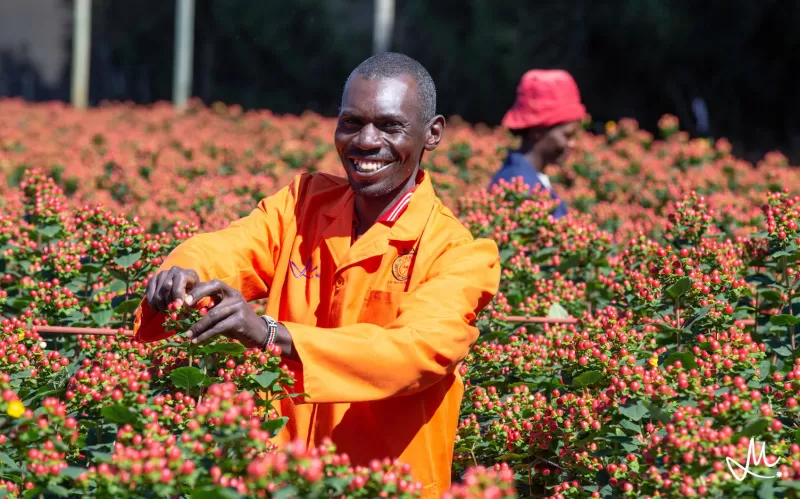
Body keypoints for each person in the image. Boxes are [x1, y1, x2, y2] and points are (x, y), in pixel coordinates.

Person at [132, 52, 501, 497]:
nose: (365, 140)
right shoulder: (303, 202)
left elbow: (416, 352)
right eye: (351, 122)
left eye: (389, 126)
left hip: (385, 486)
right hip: (281, 479)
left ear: (433, 133)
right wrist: (182, 273)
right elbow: (229, 246)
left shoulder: (460, 253)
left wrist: (274, 335)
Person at [489, 69, 586, 218]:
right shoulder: (520, 189)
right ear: (538, 132)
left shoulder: (527, 178)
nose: (572, 144)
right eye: (567, 135)